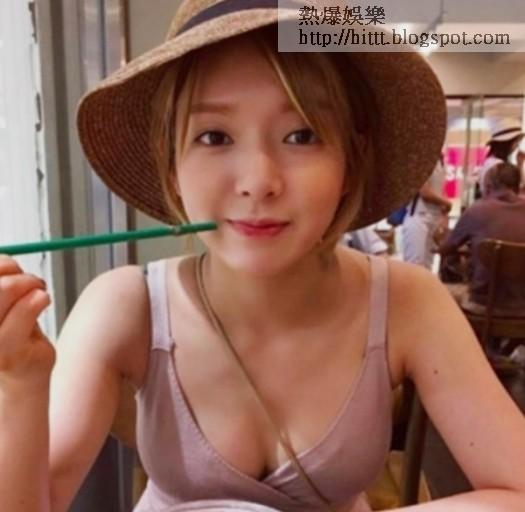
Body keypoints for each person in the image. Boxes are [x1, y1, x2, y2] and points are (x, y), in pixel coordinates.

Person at [1, 2, 525, 512]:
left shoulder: (408, 300)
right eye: (214, 136)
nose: (258, 182)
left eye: (302, 135)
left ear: (351, 160)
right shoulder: (123, 304)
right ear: (172, 163)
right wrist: (18, 384)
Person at [440, 162, 525, 317]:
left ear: (488, 187)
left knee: (443, 296)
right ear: (518, 187)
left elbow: (445, 249)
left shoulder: (478, 210)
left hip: (483, 306)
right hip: (522, 309)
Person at [401, 157, 452, 269]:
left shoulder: (440, 161)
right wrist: (447, 203)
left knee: (427, 266)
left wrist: (444, 215)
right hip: (419, 217)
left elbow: (439, 191)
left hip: (433, 218)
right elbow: (425, 193)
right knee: (414, 266)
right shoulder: (421, 159)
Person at [478, 121, 524, 198]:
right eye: (516, 142)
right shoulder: (497, 166)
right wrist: (520, 165)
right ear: (508, 143)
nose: (517, 146)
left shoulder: (491, 162)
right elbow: (514, 192)